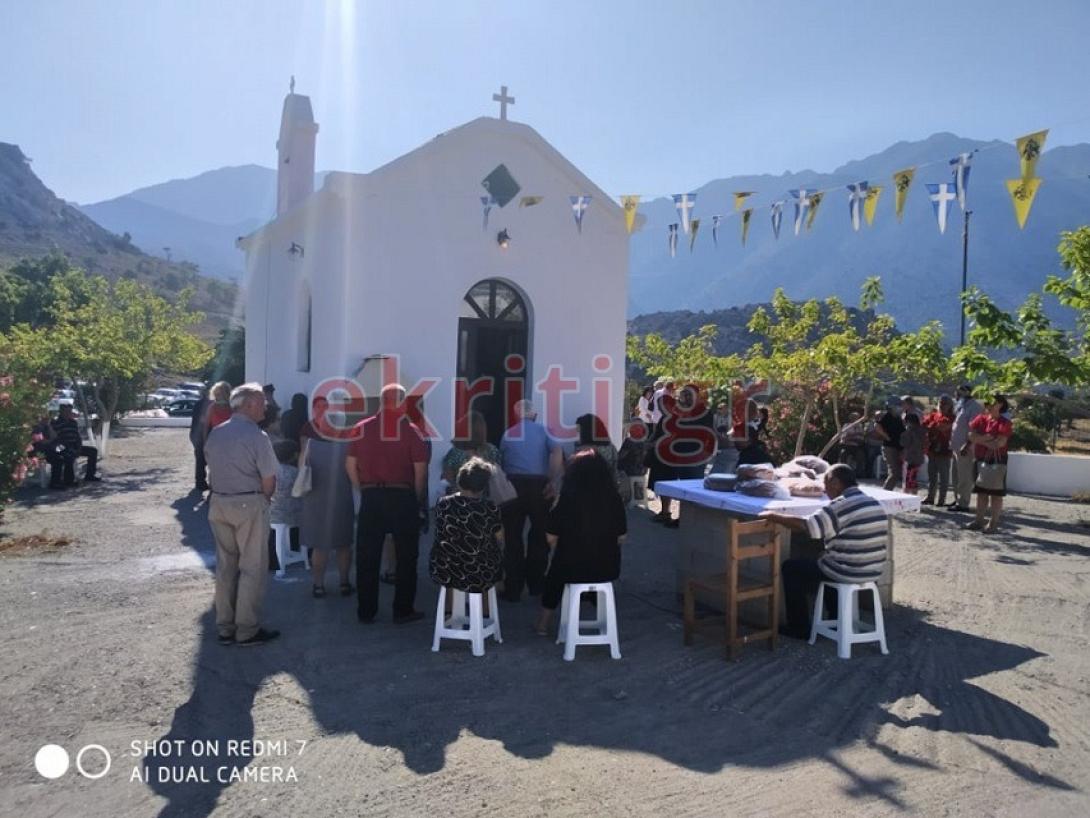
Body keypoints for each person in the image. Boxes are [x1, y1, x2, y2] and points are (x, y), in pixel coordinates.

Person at [760, 464, 889, 639]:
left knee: (791, 568)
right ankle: (835, 617)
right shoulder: (873, 502)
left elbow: (809, 527)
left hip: (848, 571)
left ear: (835, 482)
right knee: (825, 561)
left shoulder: (841, 504)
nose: (825, 490)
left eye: (826, 485)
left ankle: (799, 628)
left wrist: (774, 516)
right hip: (872, 571)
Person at [345, 384, 429, 624]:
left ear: (381, 402)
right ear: (402, 404)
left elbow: (349, 465)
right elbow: (420, 471)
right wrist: (416, 497)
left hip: (371, 496)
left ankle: (366, 610)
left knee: (367, 556)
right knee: (406, 556)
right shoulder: (412, 431)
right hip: (402, 496)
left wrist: (362, 489)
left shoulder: (360, 428)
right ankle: (402, 609)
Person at [205, 383, 280, 646]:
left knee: (226, 567)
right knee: (252, 567)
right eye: (262, 402)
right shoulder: (256, 436)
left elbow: (210, 470)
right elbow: (269, 478)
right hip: (248, 503)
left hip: (219, 502)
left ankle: (225, 626)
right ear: (249, 405)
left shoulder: (217, 432)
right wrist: (264, 500)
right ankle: (247, 629)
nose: (266, 406)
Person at [533, 451, 627, 636]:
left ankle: (543, 624)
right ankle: (601, 616)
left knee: (555, 576)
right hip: (606, 568)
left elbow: (551, 537)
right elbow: (622, 537)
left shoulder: (567, 498)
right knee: (590, 571)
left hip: (570, 566)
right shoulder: (614, 499)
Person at [498, 399, 563, 601]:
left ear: (517, 416)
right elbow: (557, 451)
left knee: (513, 537)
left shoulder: (508, 433)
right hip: (538, 486)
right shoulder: (546, 431)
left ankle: (513, 587)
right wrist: (552, 480)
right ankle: (536, 583)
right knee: (539, 535)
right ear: (534, 415)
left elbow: (502, 460)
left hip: (513, 487)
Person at [429, 457, 505, 595]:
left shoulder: (443, 504)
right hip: (481, 570)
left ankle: (448, 612)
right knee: (492, 553)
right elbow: (500, 537)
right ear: (483, 486)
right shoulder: (489, 507)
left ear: (459, 481)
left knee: (449, 560)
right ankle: (485, 612)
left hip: (444, 567)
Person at [300, 413, 355, 598]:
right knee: (344, 545)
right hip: (341, 497)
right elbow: (353, 474)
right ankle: (344, 583)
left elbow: (302, 469)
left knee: (319, 546)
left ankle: (318, 585)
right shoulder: (349, 447)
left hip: (315, 498)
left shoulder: (310, 445)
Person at [647, 384, 716, 528]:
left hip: (693, 455)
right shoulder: (674, 410)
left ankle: (686, 518)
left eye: (690, 394)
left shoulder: (704, 413)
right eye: (684, 394)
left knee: (690, 487)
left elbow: (708, 433)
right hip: (669, 453)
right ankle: (665, 512)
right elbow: (661, 427)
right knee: (665, 481)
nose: (687, 397)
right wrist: (653, 442)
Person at [967, 394, 1013, 533]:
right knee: (981, 491)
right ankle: (979, 520)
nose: (987, 405)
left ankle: (993, 523)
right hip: (980, 458)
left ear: (1000, 405)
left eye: (991, 402)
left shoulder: (1005, 422)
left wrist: (979, 439)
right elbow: (970, 436)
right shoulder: (981, 419)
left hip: (997, 461)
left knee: (996, 493)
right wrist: (987, 439)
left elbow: (999, 443)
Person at [441, 411, 500, 490]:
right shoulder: (492, 450)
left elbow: (447, 478)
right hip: (488, 498)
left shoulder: (456, 452)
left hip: (463, 498)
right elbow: (498, 473)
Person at [948, 385, 983, 512]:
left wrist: (967, 445)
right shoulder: (961, 406)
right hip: (956, 446)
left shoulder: (975, 407)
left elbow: (974, 429)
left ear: (968, 392)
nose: (957, 394)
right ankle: (957, 500)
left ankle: (963, 503)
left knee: (965, 476)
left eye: (960, 392)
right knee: (956, 475)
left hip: (965, 447)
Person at [51, 403, 100, 485]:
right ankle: (69, 480)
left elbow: (77, 437)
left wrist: (79, 447)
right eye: (66, 411)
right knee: (68, 455)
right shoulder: (56, 423)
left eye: (69, 411)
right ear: (61, 412)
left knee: (93, 451)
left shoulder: (73, 423)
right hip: (61, 446)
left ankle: (90, 475)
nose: (68, 413)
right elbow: (55, 438)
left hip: (74, 445)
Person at [922, 396, 955, 506]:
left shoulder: (952, 417)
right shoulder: (934, 415)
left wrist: (932, 426)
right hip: (932, 449)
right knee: (932, 476)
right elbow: (924, 425)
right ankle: (930, 497)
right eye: (941, 403)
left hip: (945, 450)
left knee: (944, 477)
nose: (942, 405)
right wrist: (932, 426)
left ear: (950, 405)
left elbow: (943, 427)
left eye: (945, 403)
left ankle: (941, 499)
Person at [270, 438, 302, 532]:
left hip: (272, 515)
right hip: (294, 516)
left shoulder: (270, 471)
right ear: (295, 455)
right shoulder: (295, 472)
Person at [872, 402, 905, 490]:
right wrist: (886, 436)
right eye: (897, 406)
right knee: (894, 472)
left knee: (896, 472)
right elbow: (877, 425)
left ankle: (887, 491)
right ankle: (886, 491)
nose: (899, 408)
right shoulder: (886, 416)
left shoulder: (898, 418)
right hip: (889, 447)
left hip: (897, 447)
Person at [574, 413, 619, 478]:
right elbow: (614, 473)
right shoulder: (612, 448)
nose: (578, 434)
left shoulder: (582, 451)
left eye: (579, 431)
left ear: (586, 432)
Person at [31, 413, 68, 490]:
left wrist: (60, 447)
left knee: (65, 453)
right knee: (57, 459)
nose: (47, 420)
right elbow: (40, 442)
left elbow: (55, 438)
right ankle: (54, 483)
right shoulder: (37, 428)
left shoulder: (48, 427)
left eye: (47, 418)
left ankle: (65, 479)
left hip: (49, 449)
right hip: (39, 451)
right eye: (44, 418)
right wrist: (52, 444)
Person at [190, 387, 210, 493]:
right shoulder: (209, 405)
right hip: (202, 435)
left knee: (200, 460)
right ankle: (201, 482)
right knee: (203, 459)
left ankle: (200, 482)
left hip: (195, 434)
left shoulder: (198, 404)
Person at [900, 413, 925, 494]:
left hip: (911, 458)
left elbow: (904, 443)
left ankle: (908, 496)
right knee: (913, 478)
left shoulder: (909, 431)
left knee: (909, 479)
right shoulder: (922, 430)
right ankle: (913, 495)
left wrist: (904, 433)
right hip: (919, 457)